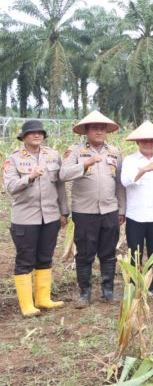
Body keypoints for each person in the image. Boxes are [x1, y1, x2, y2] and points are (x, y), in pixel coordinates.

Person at [60, 111, 126, 307]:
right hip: (84, 211)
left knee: (108, 252)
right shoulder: (75, 151)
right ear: (86, 131)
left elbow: (120, 184)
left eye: (102, 128)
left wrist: (121, 209)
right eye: (95, 128)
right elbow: (63, 174)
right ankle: (85, 292)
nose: (99, 131)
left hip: (109, 210)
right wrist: (85, 163)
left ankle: (108, 291)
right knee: (85, 253)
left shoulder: (114, 152)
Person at [3, 120, 67, 316]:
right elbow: (10, 187)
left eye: (40, 132)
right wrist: (29, 177)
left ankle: (43, 299)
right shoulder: (13, 159)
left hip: (49, 216)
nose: (37, 135)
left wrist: (64, 212)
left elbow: (60, 186)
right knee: (25, 259)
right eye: (32, 133)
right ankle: (27, 305)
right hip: (25, 218)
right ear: (23, 137)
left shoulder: (53, 156)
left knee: (45, 257)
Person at [121, 121, 153, 296]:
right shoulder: (129, 160)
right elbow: (125, 181)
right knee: (135, 252)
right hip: (135, 214)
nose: (148, 143)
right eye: (144, 140)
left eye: (151, 140)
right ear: (138, 143)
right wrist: (143, 170)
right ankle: (136, 285)